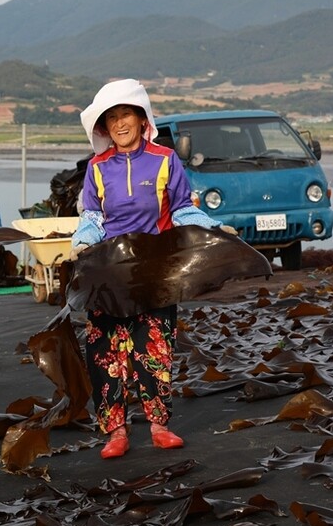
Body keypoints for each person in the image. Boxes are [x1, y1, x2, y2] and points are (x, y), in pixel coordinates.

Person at [70, 79, 237, 460]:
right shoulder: (97, 167)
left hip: (155, 272)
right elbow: (93, 214)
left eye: (125, 115)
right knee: (105, 353)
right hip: (109, 274)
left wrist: (211, 227)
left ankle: (160, 426)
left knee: (154, 349)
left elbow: (181, 208)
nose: (119, 124)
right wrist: (81, 240)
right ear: (103, 127)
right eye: (111, 119)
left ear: (142, 118)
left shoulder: (164, 159)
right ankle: (116, 432)